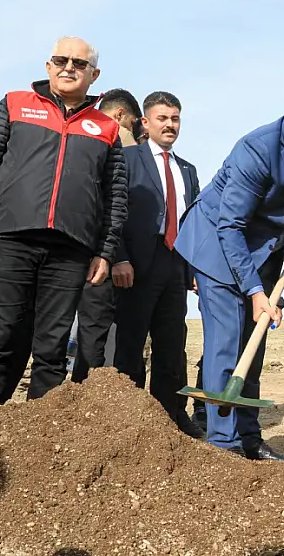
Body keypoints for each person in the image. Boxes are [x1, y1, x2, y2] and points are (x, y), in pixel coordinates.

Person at [176, 79, 284, 463]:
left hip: (266, 250)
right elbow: (229, 226)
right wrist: (254, 291)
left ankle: (250, 439)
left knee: (256, 342)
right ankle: (223, 445)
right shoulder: (257, 149)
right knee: (227, 343)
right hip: (218, 248)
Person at [0, 37, 127, 406]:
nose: (69, 67)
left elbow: (115, 197)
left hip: (71, 249)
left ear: (94, 74)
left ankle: (40, 440)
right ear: (48, 66)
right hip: (11, 240)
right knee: (2, 339)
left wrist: (105, 250)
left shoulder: (106, 128)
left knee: (51, 349)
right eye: (60, 60)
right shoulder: (14, 105)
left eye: (79, 64)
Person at [111, 91, 202, 438]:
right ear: (145, 123)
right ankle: (130, 421)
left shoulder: (188, 170)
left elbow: (193, 222)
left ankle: (171, 419)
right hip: (135, 266)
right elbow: (113, 211)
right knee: (131, 346)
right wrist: (118, 256)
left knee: (172, 346)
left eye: (175, 119)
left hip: (175, 267)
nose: (170, 125)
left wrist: (193, 270)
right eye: (162, 118)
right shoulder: (126, 157)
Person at [71, 88, 143, 383]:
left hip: (85, 253)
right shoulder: (113, 142)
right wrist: (118, 255)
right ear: (120, 116)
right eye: (134, 126)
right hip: (103, 258)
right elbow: (114, 205)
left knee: (92, 336)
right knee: (99, 338)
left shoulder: (78, 137)